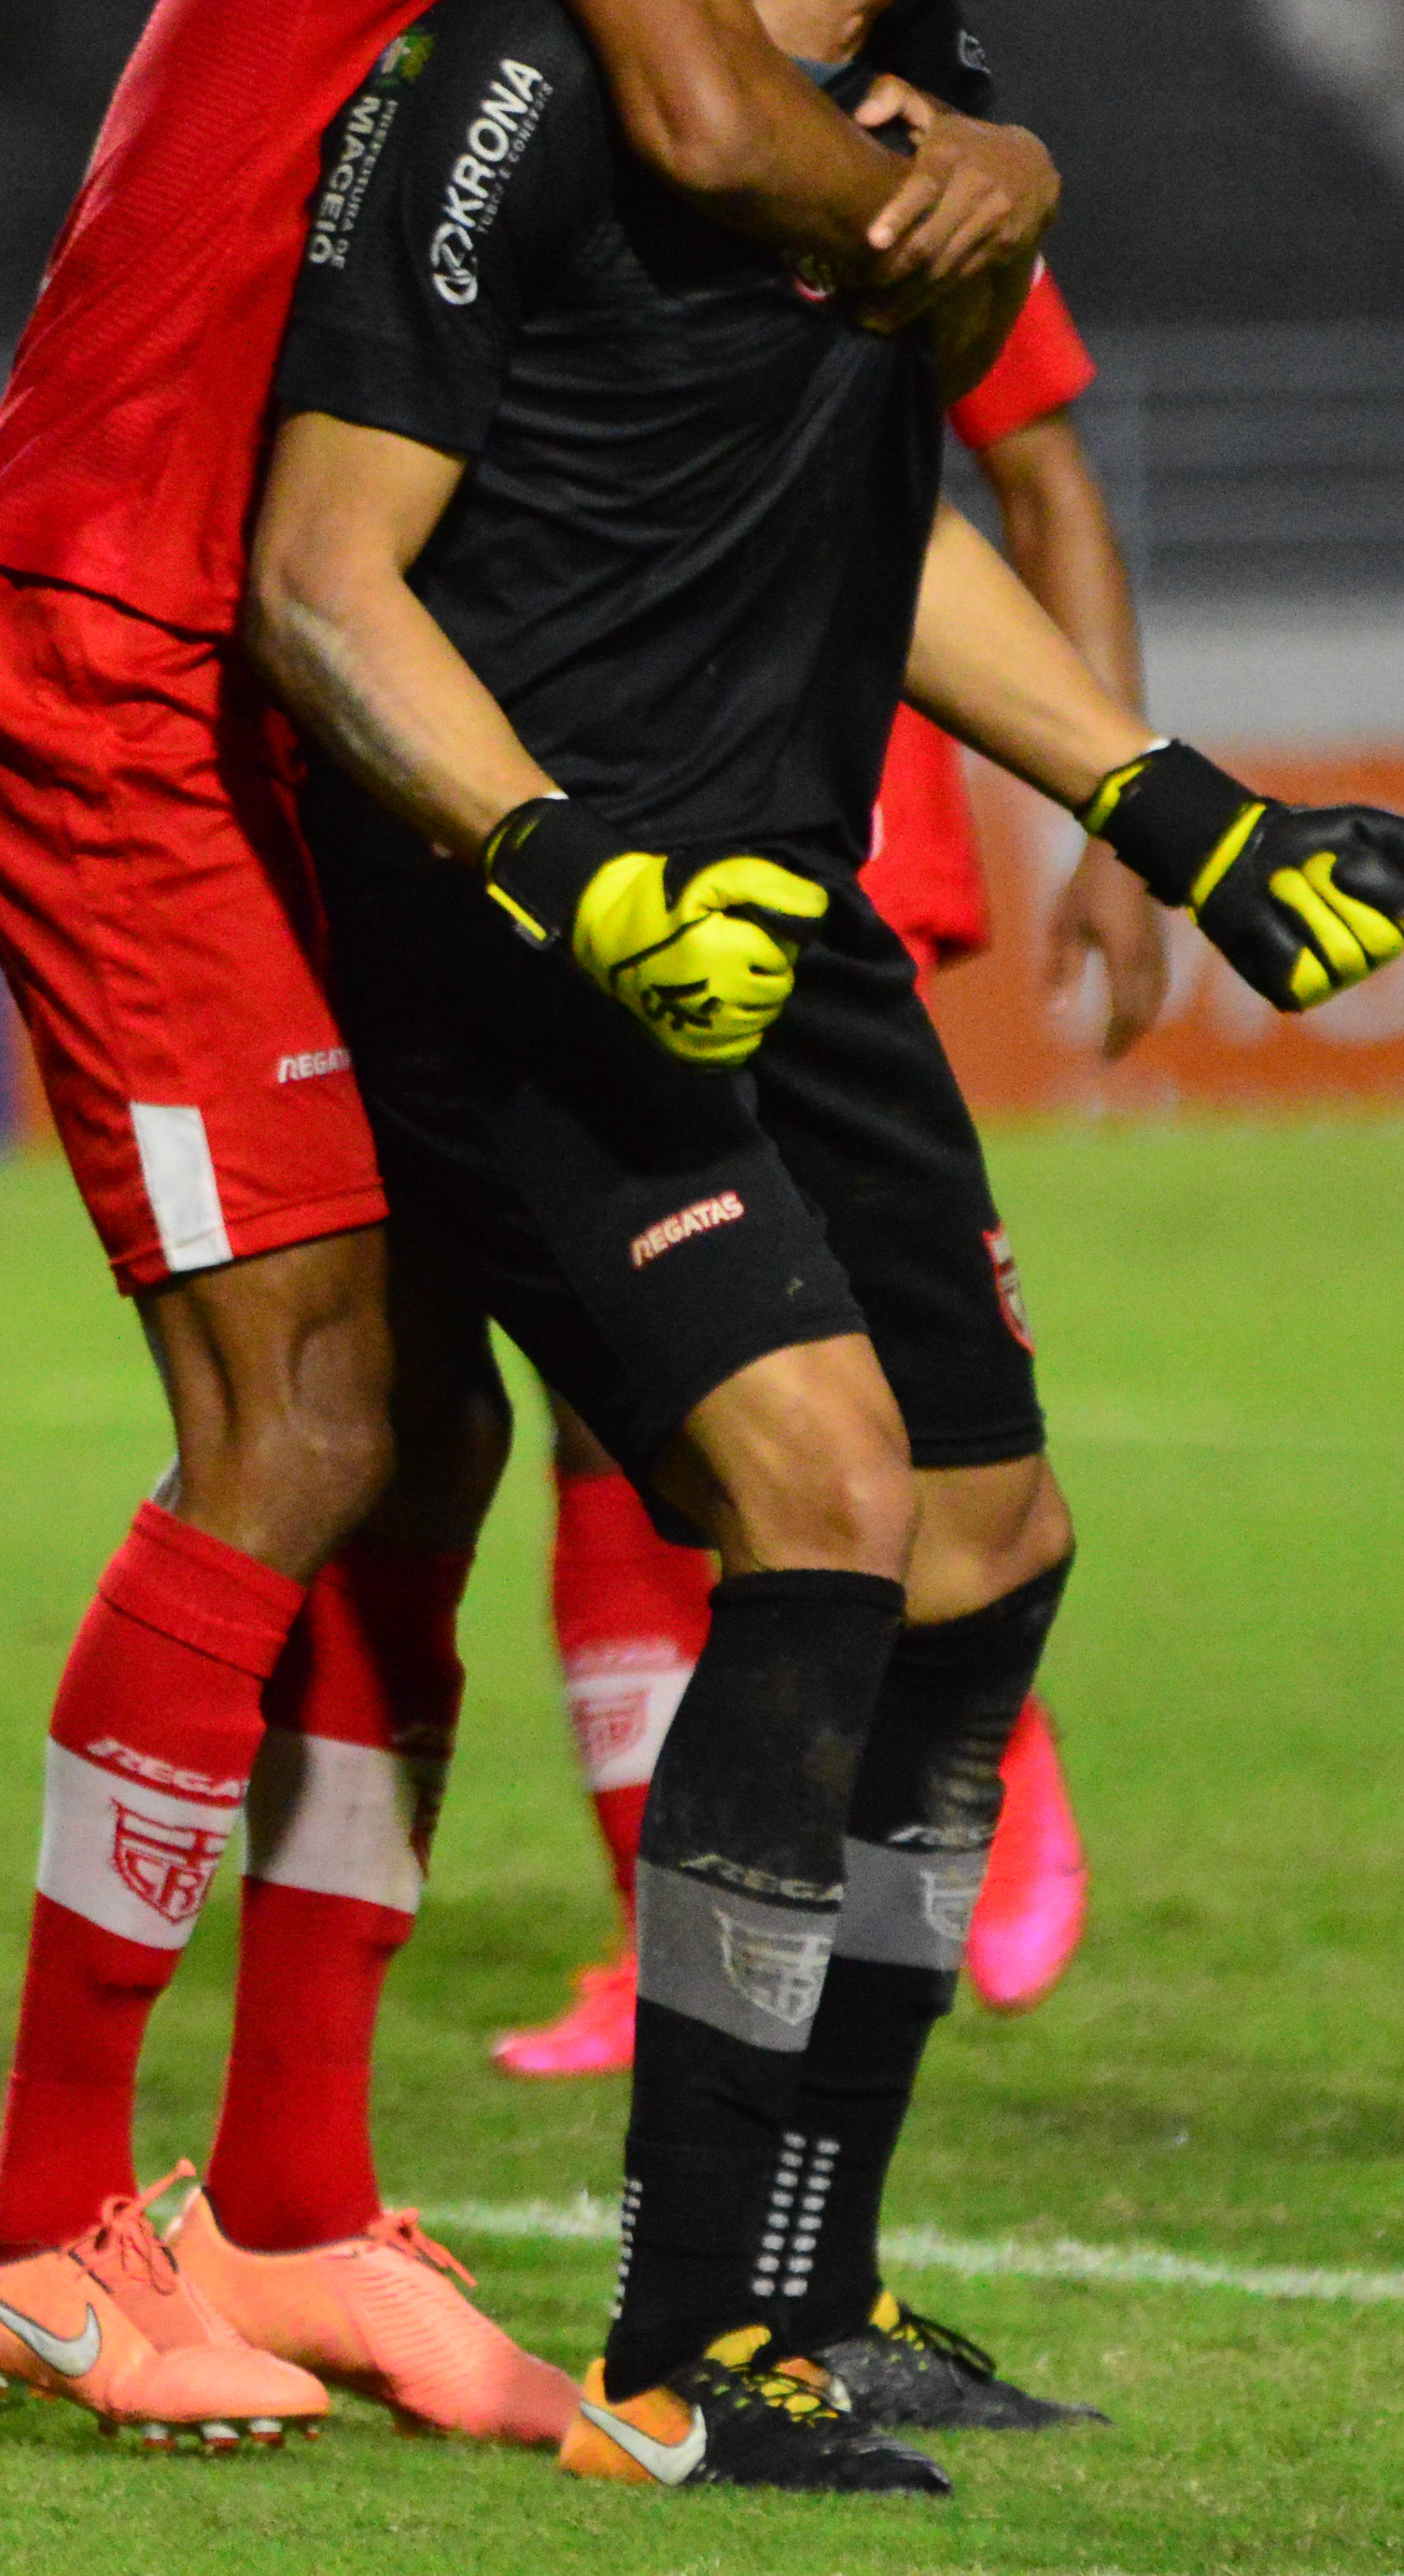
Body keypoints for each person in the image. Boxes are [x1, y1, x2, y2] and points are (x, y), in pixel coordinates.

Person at [250, 0, 1404, 2492]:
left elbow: (873, 540)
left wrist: (1167, 802)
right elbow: (318, 576)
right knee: (808, 1500)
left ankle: (815, 2277)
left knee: (990, 1537)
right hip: (524, 945)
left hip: (785, 940)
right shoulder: (513, 83)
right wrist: (542, 856)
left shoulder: (901, 101)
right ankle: (681, 2340)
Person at [0, 0, 1060, 2450]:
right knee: (291, 1427)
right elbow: (692, 100)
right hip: (113, 640)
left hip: (305, 694)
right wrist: (964, 194)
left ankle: (291, 2200)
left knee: (426, 1455)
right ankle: (42, 2216)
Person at [492, 261, 1157, 2080]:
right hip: (618, 801)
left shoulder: (885, 152)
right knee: (612, 1403)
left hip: (839, 811)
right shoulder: (571, 125)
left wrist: (1114, 813)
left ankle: (988, 1743)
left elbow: (1042, 480)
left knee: (865, 1380)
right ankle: (655, 1927)